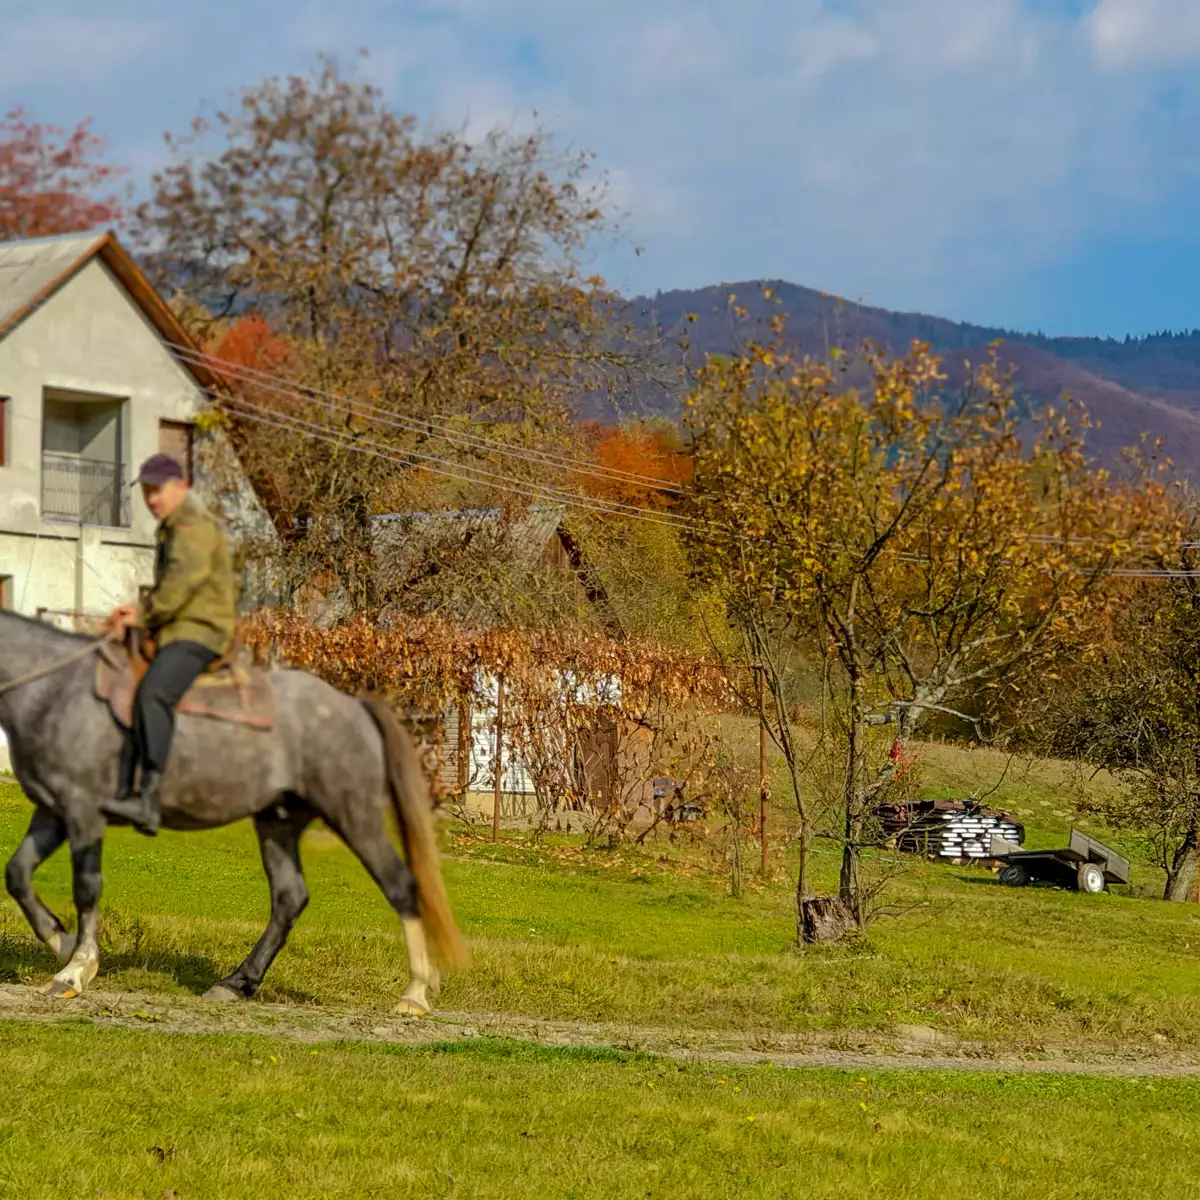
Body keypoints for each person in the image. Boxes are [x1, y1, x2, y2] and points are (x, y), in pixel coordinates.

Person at [101, 453, 237, 837]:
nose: (151, 500)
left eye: (157, 490)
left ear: (181, 486)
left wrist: (143, 615)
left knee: (153, 695)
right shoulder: (172, 525)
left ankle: (150, 801)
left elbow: (181, 584)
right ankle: (122, 788)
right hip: (174, 629)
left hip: (200, 631)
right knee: (126, 690)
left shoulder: (192, 526)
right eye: (146, 492)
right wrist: (136, 612)